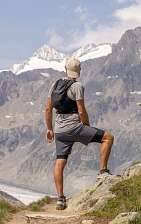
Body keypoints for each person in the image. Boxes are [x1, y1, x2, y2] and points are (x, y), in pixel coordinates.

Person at [46, 57, 115, 210]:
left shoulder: (54, 84)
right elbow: (81, 110)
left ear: (65, 69)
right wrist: (87, 128)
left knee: (60, 162)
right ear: (79, 71)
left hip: (59, 130)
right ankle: (103, 172)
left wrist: (49, 129)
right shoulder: (77, 86)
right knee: (108, 138)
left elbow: (48, 109)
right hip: (75, 127)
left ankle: (60, 199)